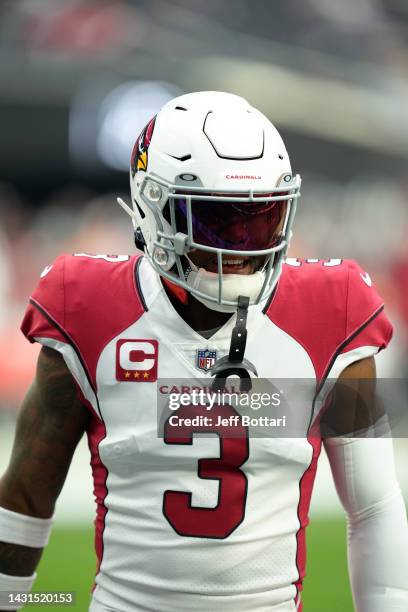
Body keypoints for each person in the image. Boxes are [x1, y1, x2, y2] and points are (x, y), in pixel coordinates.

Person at [0, 91, 407, 612]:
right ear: (155, 206)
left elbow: (374, 506)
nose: (241, 247)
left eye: (259, 219)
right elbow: (27, 498)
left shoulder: (334, 310)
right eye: (218, 221)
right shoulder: (87, 306)